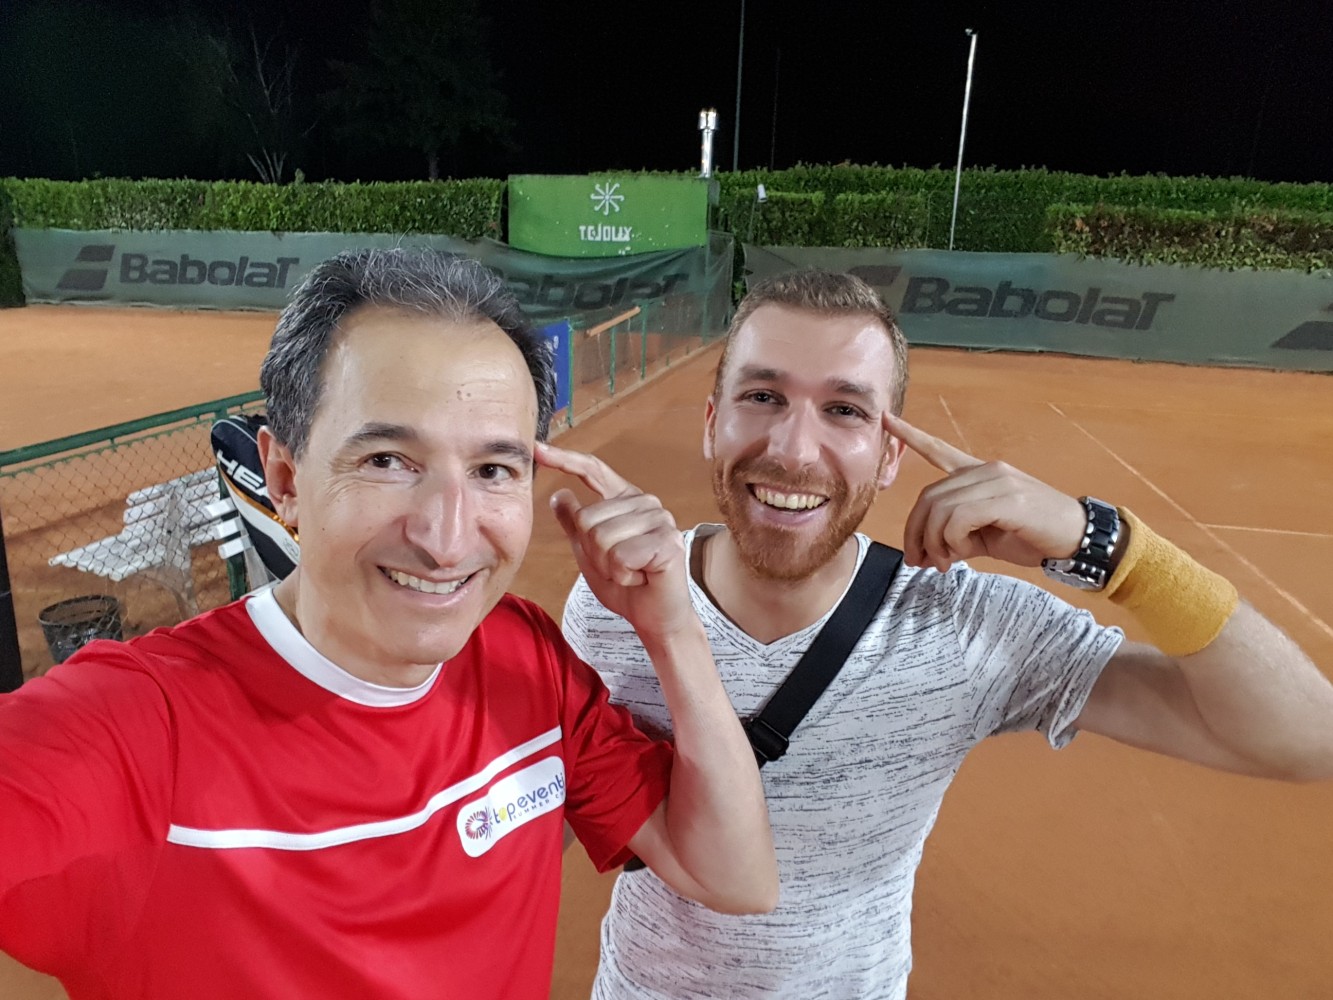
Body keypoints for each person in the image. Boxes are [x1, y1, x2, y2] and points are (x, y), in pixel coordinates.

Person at [0, 249, 776, 1000]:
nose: (447, 539)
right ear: (284, 478)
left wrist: (671, 627)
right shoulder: (137, 724)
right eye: (386, 461)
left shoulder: (526, 656)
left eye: (492, 470)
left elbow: (732, 876)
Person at [562, 268, 1333, 1000]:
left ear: (889, 454)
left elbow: (1309, 739)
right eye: (763, 396)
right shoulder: (611, 598)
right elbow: (528, 818)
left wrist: (1111, 551)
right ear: (712, 423)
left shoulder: (965, 626)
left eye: (845, 410)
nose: (793, 450)